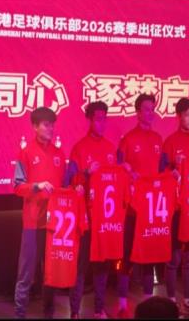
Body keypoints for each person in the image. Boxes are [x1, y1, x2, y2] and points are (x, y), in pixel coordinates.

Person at [64, 101, 117, 319]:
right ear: (89, 120)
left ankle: (99, 309)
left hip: (105, 219)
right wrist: (86, 173)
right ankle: (75, 311)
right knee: (80, 266)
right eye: (98, 119)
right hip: (84, 218)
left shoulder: (111, 148)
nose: (102, 123)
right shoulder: (79, 148)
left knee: (102, 266)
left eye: (105, 119)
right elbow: (70, 181)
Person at [13, 107, 66, 319]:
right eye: (46, 124)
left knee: (50, 273)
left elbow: (65, 186)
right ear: (35, 127)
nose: (50, 128)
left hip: (54, 224)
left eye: (52, 124)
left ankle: (49, 313)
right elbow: (17, 187)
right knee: (26, 273)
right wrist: (37, 186)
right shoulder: (26, 153)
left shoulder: (59, 154)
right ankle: (20, 314)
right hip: (33, 223)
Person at [116, 94, 164, 318]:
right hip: (132, 209)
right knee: (127, 255)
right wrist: (126, 170)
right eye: (146, 109)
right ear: (137, 112)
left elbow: (162, 171)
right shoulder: (127, 140)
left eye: (152, 109)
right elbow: (118, 168)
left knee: (150, 256)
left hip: (152, 209)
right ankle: (122, 302)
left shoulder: (158, 139)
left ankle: (147, 301)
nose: (150, 113)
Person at [160, 97, 189, 318]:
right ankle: (171, 302)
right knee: (174, 258)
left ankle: (188, 300)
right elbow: (161, 171)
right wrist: (173, 172)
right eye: (187, 115)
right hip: (176, 208)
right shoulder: (170, 142)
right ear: (178, 117)